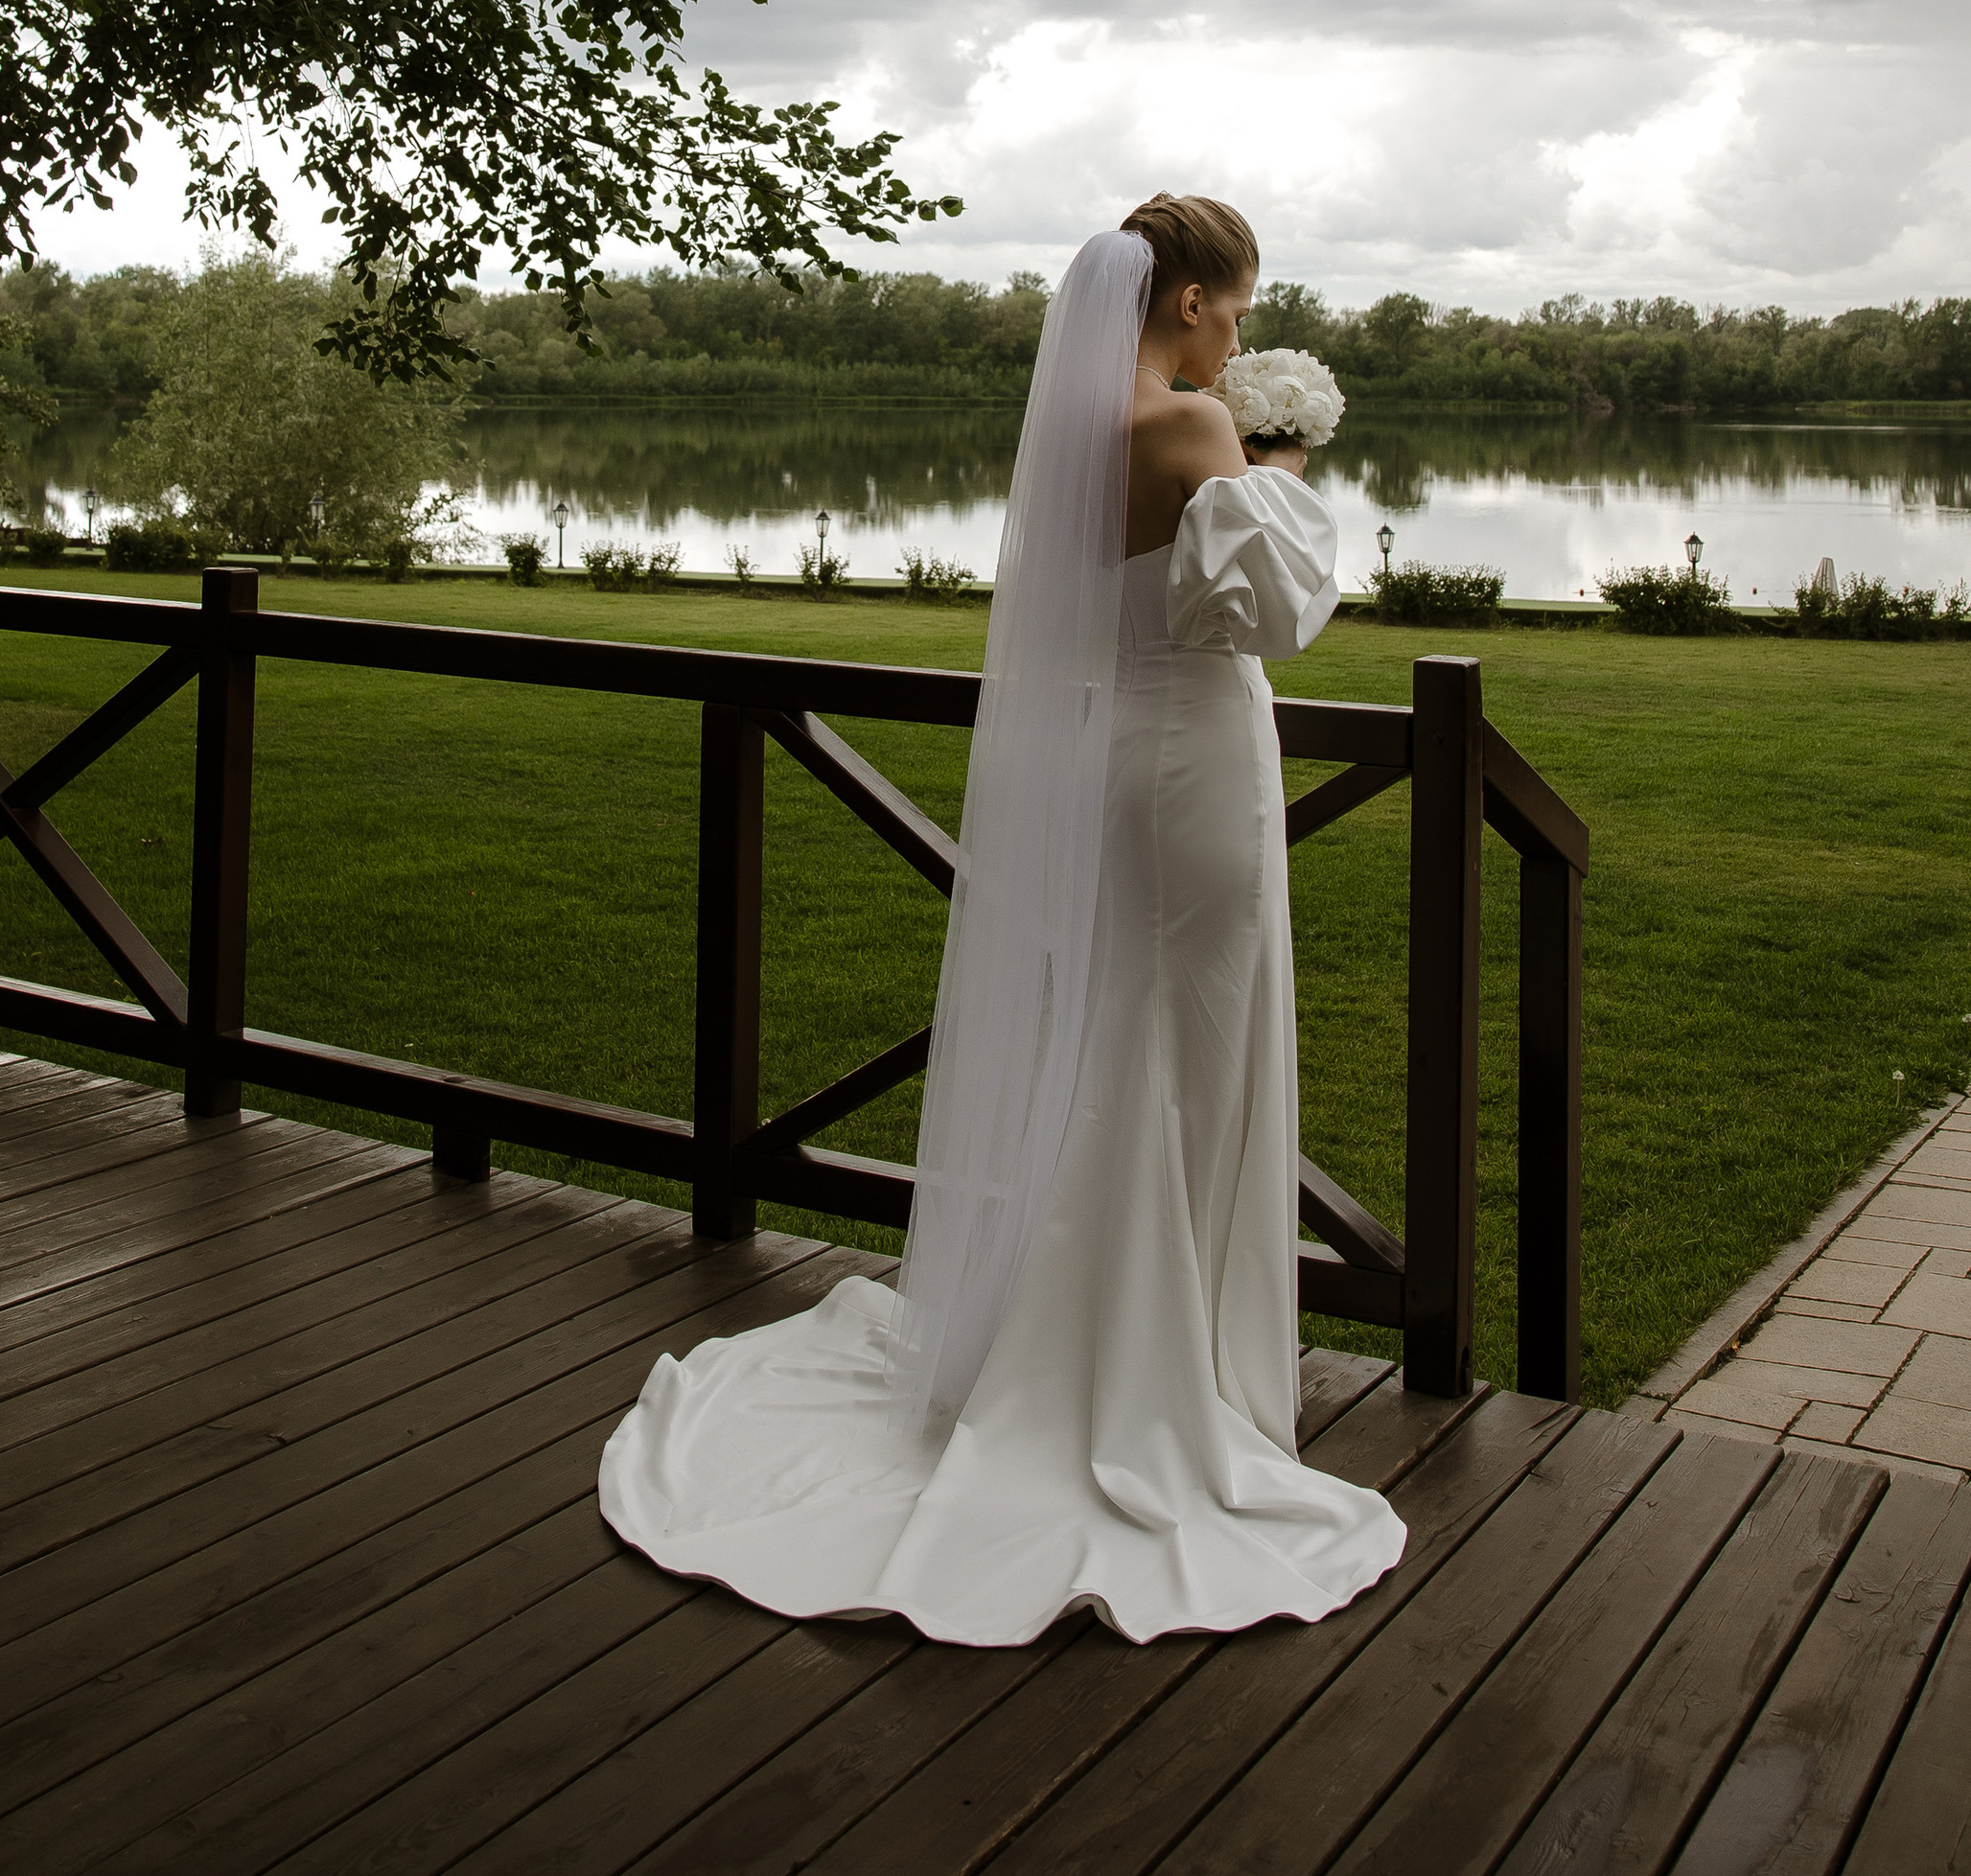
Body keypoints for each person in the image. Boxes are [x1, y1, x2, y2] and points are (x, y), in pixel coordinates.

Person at [597, 194, 1404, 1646]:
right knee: (1182, 1050)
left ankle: (1086, 1342)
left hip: (1118, 767)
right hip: (1194, 765)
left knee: (1123, 1043)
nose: (1237, 332)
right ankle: (1160, 1383)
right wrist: (1280, 457)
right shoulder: (1188, 428)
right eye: (1231, 306)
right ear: (1182, 304)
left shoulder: (1077, 432)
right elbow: (1270, 612)